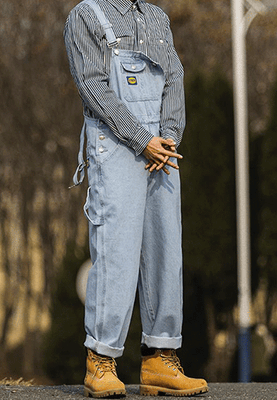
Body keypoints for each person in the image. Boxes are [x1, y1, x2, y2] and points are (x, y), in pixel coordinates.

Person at [64, 0, 208, 397]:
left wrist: (169, 137)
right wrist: (142, 139)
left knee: (166, 251)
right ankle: (101, 361)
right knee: (117, 252)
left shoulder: (157, 17)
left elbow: (174, 76)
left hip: (162, 149)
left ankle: (160, 358)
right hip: (117, 145)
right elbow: (93, 86)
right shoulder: (87, 15)